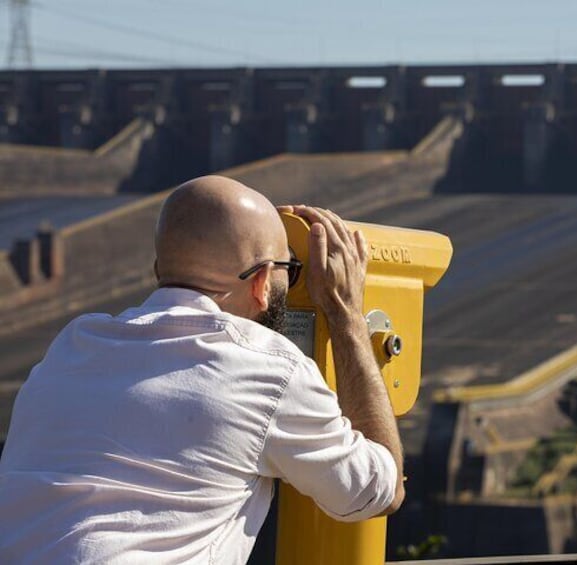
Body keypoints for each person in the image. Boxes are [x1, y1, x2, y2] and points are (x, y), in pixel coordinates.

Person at [0, 175, 405, 563]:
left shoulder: (73, 346)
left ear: (160, 270)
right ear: (262, 281)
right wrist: (346, 312)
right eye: (289, 272)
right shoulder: (267, 369)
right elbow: (376, 490)